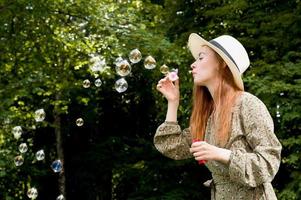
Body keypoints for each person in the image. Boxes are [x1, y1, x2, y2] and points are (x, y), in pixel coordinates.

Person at [154, 33, 282, 200]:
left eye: (201, 58)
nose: (193, 64)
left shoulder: (247, 104)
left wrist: (222, 154)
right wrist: (172, 102)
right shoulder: (209, 116)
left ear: (222, 63)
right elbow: (171, 146)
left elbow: (268, 163)